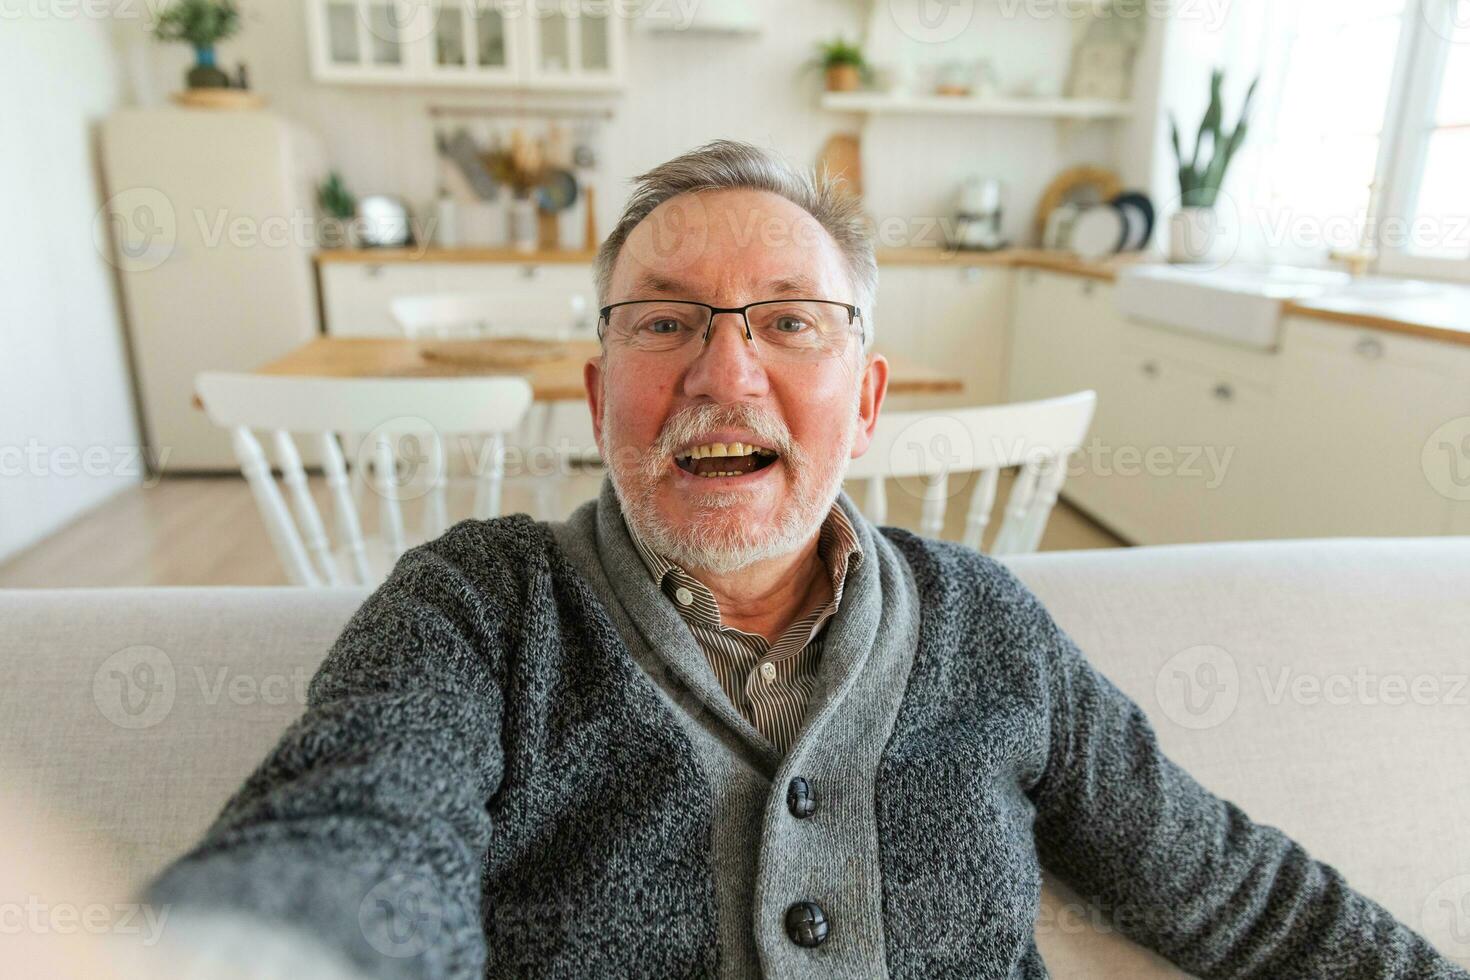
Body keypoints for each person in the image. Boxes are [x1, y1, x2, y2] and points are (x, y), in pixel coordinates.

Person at [143, 140, 1467, 979]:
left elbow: (1230, 890)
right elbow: (354, 835)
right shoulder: (476, 608)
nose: (726, 372)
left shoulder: (990, 626)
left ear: (870, 397)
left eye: (788, 321)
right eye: (666, 324)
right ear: (599, 393)